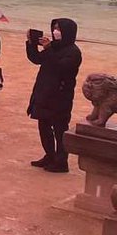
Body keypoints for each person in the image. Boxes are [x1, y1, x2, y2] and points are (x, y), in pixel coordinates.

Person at [27, 19, 81, 174]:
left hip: (60, 97)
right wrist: (31, 43)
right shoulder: (54, 47)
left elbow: (60, 67)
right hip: (44, 93)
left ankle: (61, 162)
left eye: (59, 28)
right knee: (43, 126)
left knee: (60, 130)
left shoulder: (73, 52)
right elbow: (36, 59)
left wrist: (49, 49)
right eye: (54, 28)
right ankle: (50, 156)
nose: (56, 31)